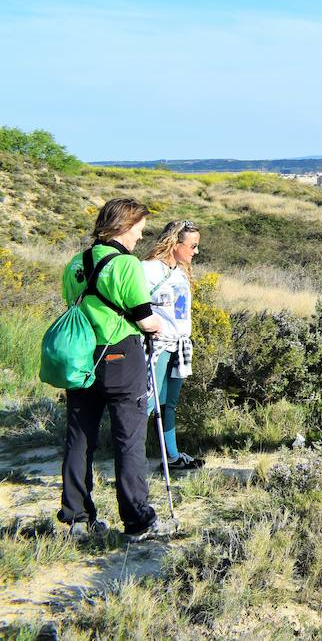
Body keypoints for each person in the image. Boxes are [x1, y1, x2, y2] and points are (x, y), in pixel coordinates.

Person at [58, 198, 172, 540]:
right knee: (128, 441)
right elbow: (144, 317)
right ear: (124, 225)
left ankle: (78, 518)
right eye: (139, 227)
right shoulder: (127, 265)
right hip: (121, 357)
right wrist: (159, 328)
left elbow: (72, 306)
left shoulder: (75, 264)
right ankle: (137, 520)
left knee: (79, 437)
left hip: (81, 358)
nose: (140, 235)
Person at [142, 220, 203, 470]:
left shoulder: (180, 271)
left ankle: (173, 456)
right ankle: (132, 460)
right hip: (156, 345)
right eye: (193, 246)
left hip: (179, 346)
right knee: (146, 402)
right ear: (175, 243)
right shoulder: (146, 269)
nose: (196, 251)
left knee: (169, 403)